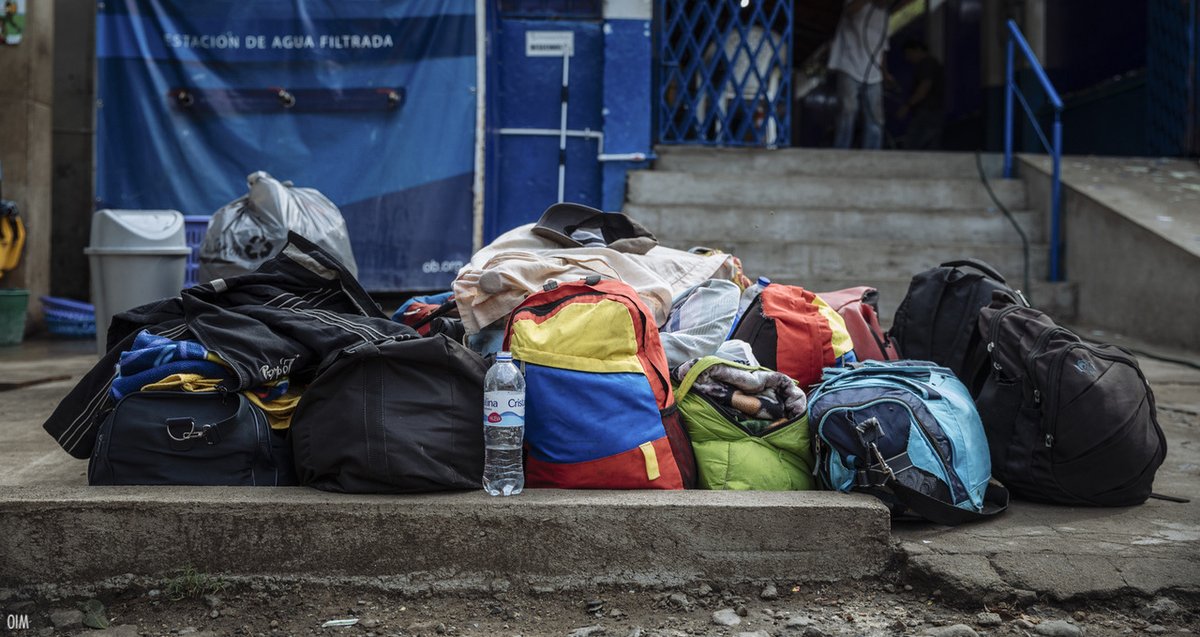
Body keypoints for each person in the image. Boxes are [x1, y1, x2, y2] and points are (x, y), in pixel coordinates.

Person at [828, 0, 892, 149]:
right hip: (849, 65)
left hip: (873, 73)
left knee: (875, 116)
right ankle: (841, 150)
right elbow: (850, 11)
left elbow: (882, 49)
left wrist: (885, 73)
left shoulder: (885, 16)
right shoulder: (856, 4)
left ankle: (872, 153)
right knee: (848, 109)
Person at [897, 39, 945, 149]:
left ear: (917, 50)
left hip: (927, 112)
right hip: (934, 112)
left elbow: (924, 87)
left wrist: (907, 105)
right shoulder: (932, 63)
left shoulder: (926, 64)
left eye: (909, 54)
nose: (907, 58)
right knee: (930, 146)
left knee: (912, 145)